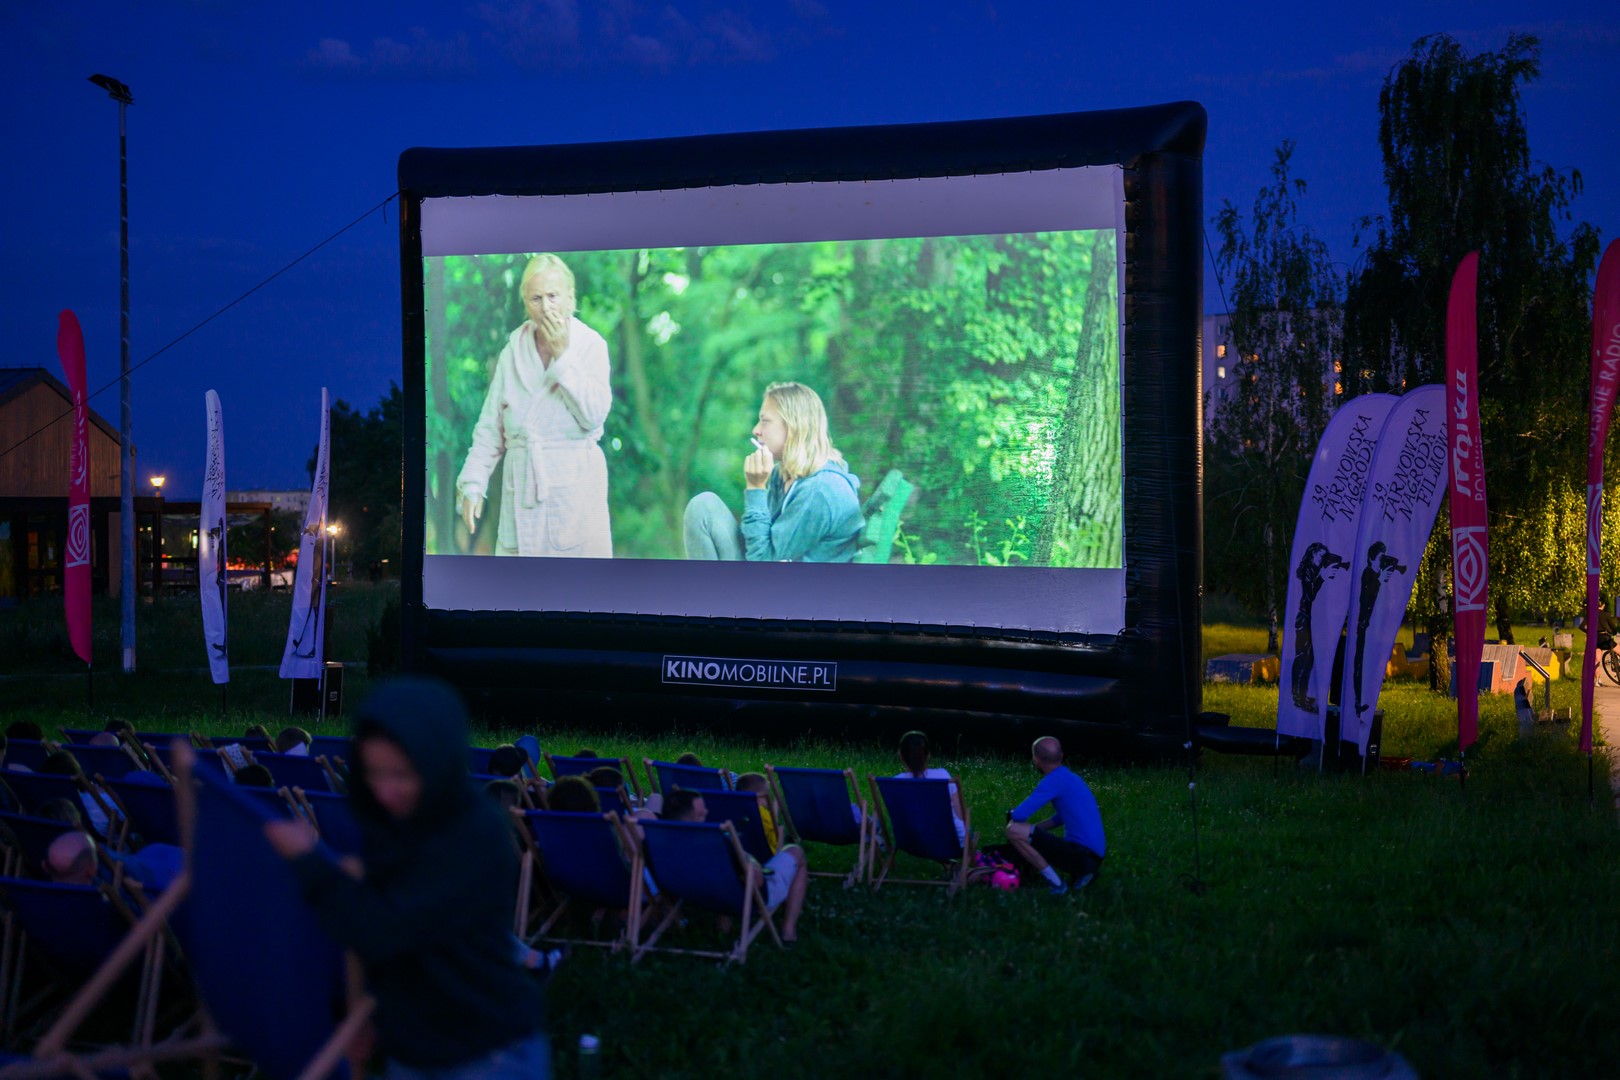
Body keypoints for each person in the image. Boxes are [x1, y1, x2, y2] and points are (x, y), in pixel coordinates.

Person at [263, 677, 550, 1078]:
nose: (386, 790)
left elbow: (386, 928)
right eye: (375, 773)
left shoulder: (473, 834)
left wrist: (310, 865)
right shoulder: (398, 821)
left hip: (486, 1052)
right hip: (415, 1046)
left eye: (402, 774)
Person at [456, 253, 613, 559]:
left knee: (577, 586)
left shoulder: (591, 346)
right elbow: (490, 429)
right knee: (517, 585)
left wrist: (563, 357)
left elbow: (594, 417)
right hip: (522, 494)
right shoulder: (512, 351)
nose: (546, 307)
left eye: (553, 296)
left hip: (575, 496)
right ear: (526, 303)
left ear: (570, 297)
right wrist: (473, 483)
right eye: (536, 298)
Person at [684, 381, 864, 563]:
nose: (756, 430)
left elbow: (763, 559)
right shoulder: (784, 474)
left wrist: (756, 487)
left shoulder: (821, 490)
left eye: (765, 421)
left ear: (794, 426)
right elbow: (761, 541)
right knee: (703, 506)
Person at [660, 790, 808, 943]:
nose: (707, 812)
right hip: (742, 899)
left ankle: (723, 925)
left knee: (719, 875)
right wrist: (748, 859)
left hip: (693, 895)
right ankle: (788, 931)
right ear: (688, 818)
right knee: (796, 852)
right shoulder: (717, 843)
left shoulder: (658, 843)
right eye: (700, 814)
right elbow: (757, 881)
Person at [1005, 737, 1105, 896]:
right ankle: (1084, 873)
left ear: (1036, 759)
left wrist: (1016, 822)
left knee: (1013, 830)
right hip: (1094, 857)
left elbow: (1018, 815)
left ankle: (1056, 884)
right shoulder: (1072, 778)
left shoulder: (1052, 781)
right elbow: (1060, 818)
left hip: (1081, 855)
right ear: (1061, 756)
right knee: (1024, 832)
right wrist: (1033, 832)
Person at [893, 731, 966, 844]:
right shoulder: (943, 776)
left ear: (900, 756)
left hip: (913, 841)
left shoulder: (896, 782)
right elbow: (960, 815)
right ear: (928, 755)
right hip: (951, 841)